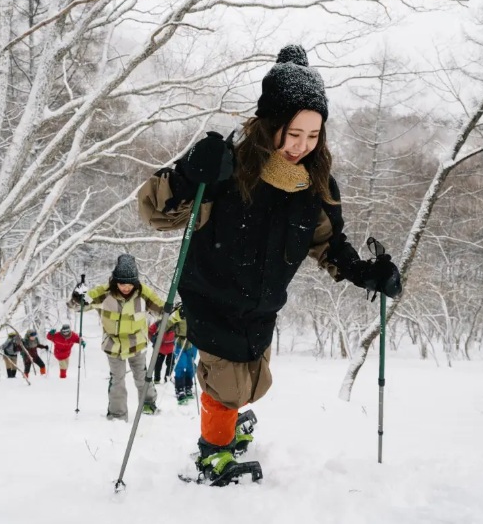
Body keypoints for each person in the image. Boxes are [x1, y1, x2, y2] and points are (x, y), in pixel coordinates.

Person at [138, 44, 402, 482]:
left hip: (261, 303)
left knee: (255, 383)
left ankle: (229, 421)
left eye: (313, 135)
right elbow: (155, 210)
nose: (302, 146)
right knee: (226, 386)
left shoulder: (314, 185)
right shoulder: (228, 164)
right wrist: (187, 176)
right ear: (271, 124)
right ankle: (212, 453)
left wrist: (362, 271)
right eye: (293, 133)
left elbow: (327, 242)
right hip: (211, 294)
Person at [69, 254, 164, 420]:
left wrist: (174, 309)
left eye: (129, 284)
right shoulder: (103, 293)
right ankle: (117, 414)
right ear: (115, 282)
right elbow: (77, 307)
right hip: (113, 345)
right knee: (117, 380)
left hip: (137, 344)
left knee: (142, 377)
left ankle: (148, 404)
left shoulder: (143, 293)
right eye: (121, 284)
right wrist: (77, 298)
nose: (126, 288)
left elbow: (161, 309)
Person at [169, 306, 197, 405]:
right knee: (181, 364)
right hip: (179, 341)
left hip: (192, 342)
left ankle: (188, 386)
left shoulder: (198, 309)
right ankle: (179, 389)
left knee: (190, 365)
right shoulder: (178, 309)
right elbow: (169, 322)